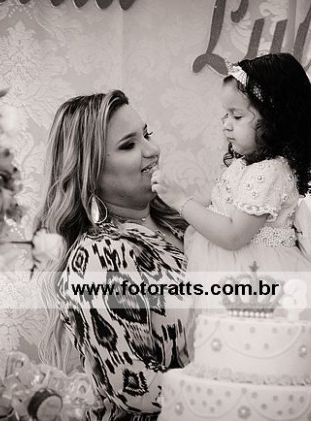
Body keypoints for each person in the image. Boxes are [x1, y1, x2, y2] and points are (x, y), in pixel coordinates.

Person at [151, 52, 311, 418]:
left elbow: (234, 234)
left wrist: (180, 200)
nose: (225, 124)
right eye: (225, 114)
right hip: (234, 276)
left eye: (236, 116)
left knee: (261, 371)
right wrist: (168, 206)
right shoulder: (244, 166)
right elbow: (213, 209)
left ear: (275, 119)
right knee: (229, 375)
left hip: (259, 280)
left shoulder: (270, 171)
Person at [36, 90, 194, 421]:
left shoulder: (183, 223)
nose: (152, 150)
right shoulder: (100, 256)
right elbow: (136, 388)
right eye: (128, 145)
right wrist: (239, 396)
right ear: (90, 171)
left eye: (147, 134)